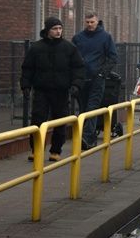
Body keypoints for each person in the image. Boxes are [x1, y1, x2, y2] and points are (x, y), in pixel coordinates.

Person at [20, 17, 86, 161]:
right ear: (47, 30)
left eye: (60, 28)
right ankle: (36, 149)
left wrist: (76, 85)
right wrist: (25, 86)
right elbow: (27, 68)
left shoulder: (69, 48)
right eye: (55, 29)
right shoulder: (36, 48)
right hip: (41, 90)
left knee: (60, 120)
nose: (58, 31)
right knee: (37, 120)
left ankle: (55, 151)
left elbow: (78, 68)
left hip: (61, 90)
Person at [72, 12, 118, 150]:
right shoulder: (78, 38)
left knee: (92, 108)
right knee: (83, 108)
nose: (90, 24)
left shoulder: (105, 37)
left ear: (97, 21)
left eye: (92, 22)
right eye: (87, 22)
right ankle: (89, 137)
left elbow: (113, 57)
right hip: (81, 78)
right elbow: (72, 56)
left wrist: (102, 73)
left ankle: (85, 137)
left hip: (97, 79)